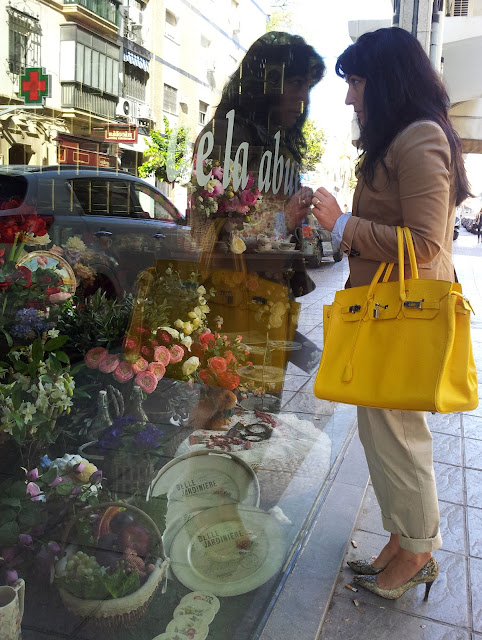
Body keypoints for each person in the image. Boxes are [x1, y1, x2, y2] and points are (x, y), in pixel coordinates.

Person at [311, 27, 472, 600]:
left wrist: (340, 223)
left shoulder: (422, 137)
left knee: (400, 436)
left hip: (404, 317)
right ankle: (403, 542)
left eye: (356, 81)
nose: (351, 96)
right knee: (383, 433)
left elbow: (426, 244)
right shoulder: (400, 138)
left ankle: (420, 549)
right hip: (385, 314)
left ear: (384, 80)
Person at [188, 32, 325, 404]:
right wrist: (281, 219)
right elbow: (204, 230)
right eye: (297, 83)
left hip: (270, 302)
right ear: (266, 82)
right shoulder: (223, 138)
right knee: (223, 413)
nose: (303, 97)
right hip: (229, 307)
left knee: (263, 414)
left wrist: (295, 225)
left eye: (309, 86)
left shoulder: (281, 145)